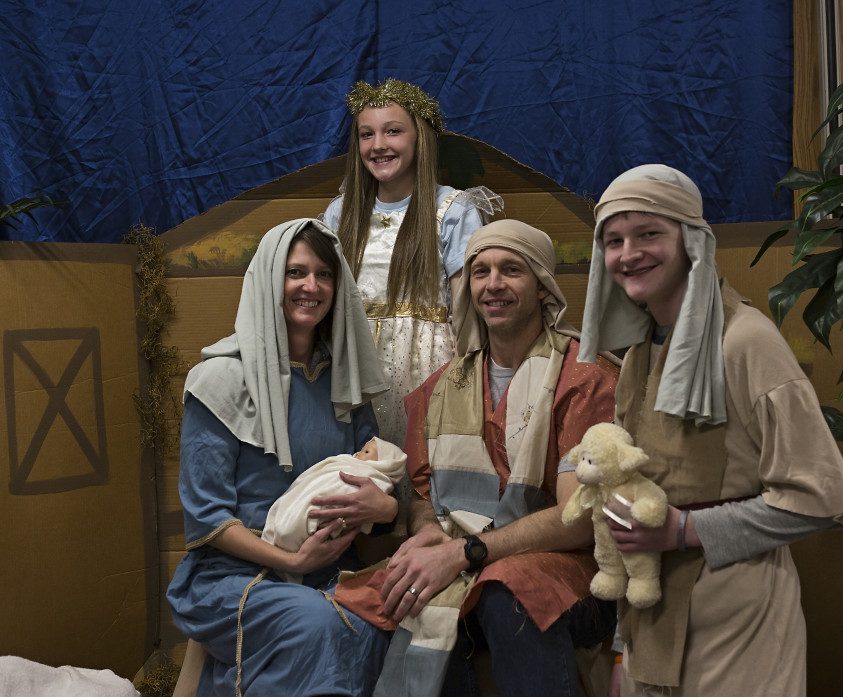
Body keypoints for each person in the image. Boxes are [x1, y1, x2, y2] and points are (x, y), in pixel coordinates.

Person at [577, 165, 843, 697]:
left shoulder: (746, 342)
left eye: (649, 233)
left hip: (736, 624)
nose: (628, 253)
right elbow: (628, 504)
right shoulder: (639, 353)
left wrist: (685, 531)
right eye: (614, 240)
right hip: (651, 619)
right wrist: (622, 649)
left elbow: (821, 496)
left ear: (691, 240)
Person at [377, 219, 620, 697]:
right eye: (480, 271)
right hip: (465, 559)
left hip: (574, 574)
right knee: (400, 592)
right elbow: (425, 496)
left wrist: (465, 552)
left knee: (507, 591)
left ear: (542, 285)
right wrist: (428, 532)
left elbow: (581, 520)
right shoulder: (442, 387)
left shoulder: (585, 378)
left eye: (511, 270)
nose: (493, 284)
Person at [166, 219, 395, 697]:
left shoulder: (342, 384)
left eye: (324, 274)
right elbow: (206, 518)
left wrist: (387, 509)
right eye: (295, 273)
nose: (311, 287)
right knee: (317, 625)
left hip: (331, 567)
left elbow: (377, 474)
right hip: (232, 578)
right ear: (270, 281)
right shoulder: (217, 383)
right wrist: (290, 555)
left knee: (388, 623)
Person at [321, 77, 501, 447]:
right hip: (355, 364)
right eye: (366, 135)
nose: (379, 145)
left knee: (421, 467)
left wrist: (469, 382)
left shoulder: (451, 209)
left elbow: (467, 309)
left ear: (419, 137)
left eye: (393, 132)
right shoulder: (342, 213)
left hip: (426, 364)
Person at [262, 436, 407, 582]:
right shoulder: (347, 462)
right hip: (262, 555)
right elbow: (316, 481)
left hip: (337, 560)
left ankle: (295, 527)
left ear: (385, 464)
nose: (357, 454)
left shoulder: (370, 474)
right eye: (361, 450)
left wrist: (389, 508)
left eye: (366, 451)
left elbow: (375, 506)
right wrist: (294, 562)